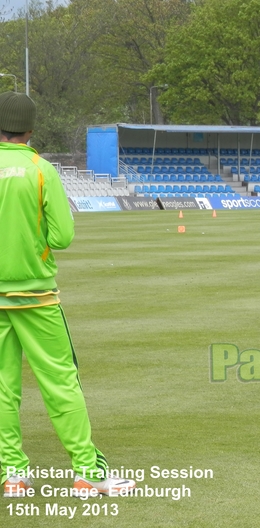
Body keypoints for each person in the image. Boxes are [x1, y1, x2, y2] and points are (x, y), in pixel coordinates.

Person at [0, 92, 135, 498]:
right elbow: (63, 236)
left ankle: (13, 475)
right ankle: (87, 474)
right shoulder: (42, 170)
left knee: (4, 388)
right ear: (31, 128)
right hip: (35, 295)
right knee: (61, 383)